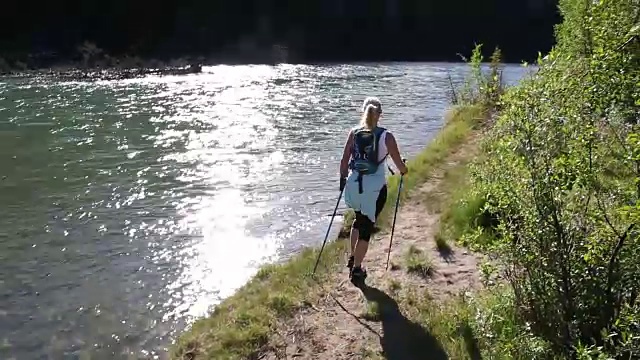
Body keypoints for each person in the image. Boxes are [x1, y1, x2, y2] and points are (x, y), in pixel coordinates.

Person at [339, 96, 408, 282]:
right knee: (366, 228)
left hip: (354, 184)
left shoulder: (353, 132)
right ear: (380, 114)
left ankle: (353, 258)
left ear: (363, 111)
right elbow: (399, 164)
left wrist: (342, 180)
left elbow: (344, 163)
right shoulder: (387, 136)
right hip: (374, 189)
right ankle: (357, 270)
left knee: (358, 221)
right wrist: (404, 170)